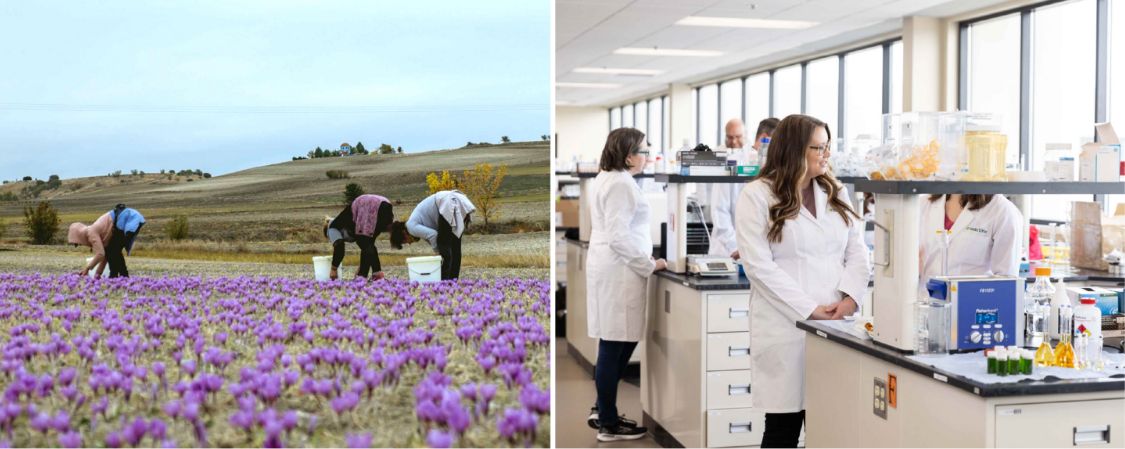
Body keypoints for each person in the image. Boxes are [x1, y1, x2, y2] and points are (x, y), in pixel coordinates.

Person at [734, 115, 870, 447]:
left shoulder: (834, 190)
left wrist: (850, 299)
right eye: (818, 148)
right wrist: (809, 309)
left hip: (837, 322)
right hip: (786, 325)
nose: (826, 155)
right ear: (794, 150)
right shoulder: (757, 196)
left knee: (829, 425)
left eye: (828, 147)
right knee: (783, 427)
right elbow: (759, 267)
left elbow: (858, 250)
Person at [585, 127, 667, 442]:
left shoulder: (608, 177)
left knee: (617, 339)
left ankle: (602, 409)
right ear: (629, 154)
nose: (646, 157)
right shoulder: (619, 183)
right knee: (615, 342)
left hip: (613, 267)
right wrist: (649, 264)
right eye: (643, 151)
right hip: (621, 270)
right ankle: (607, 421)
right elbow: (620, 236)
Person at [917, 193, 1021, 298]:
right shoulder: (922, 203)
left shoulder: (1002, 210)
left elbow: (1006, 282)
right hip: (924, 305)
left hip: (973, 305)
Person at [709, 117, 779, 259]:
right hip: (728, 252)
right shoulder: (732, 163)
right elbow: (719, 211)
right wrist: (737, 248)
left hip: (758, 254)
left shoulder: (773, 166)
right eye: (779, 143)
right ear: (765, 139)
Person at [391, 190, 475, 280]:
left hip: (446, 203)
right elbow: (432, 238)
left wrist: (438, 253)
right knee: (455, 248)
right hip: (456, 200)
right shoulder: (414, 222)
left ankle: (444, 282)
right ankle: (453, 281)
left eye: (405, 242)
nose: (409, 243)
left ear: (403, 233)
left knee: (444, 249)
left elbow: (433, 235)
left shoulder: (410, 227)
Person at [324, 194, 396, 281]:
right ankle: (376, 275)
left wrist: (333, 269)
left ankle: (362, 278)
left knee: (366, 244)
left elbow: (339, 247)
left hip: (368, 206)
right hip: (384, 205)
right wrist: (362, 266)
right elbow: (367, 246)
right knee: (368, 245)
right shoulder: (350, 222)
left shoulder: (332, 228)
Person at [68, 204, 145, 278]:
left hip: (126, 220)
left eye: (79, 243)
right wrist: (97, 274)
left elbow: (100, 254)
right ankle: (122, 277)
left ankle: (119, 277)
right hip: (128, 220)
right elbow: (104, 256)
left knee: (113, 251)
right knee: (112, 251)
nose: (81, 244)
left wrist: (87, 268)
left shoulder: (91, 233)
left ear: (79, 236)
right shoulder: (94, 231)